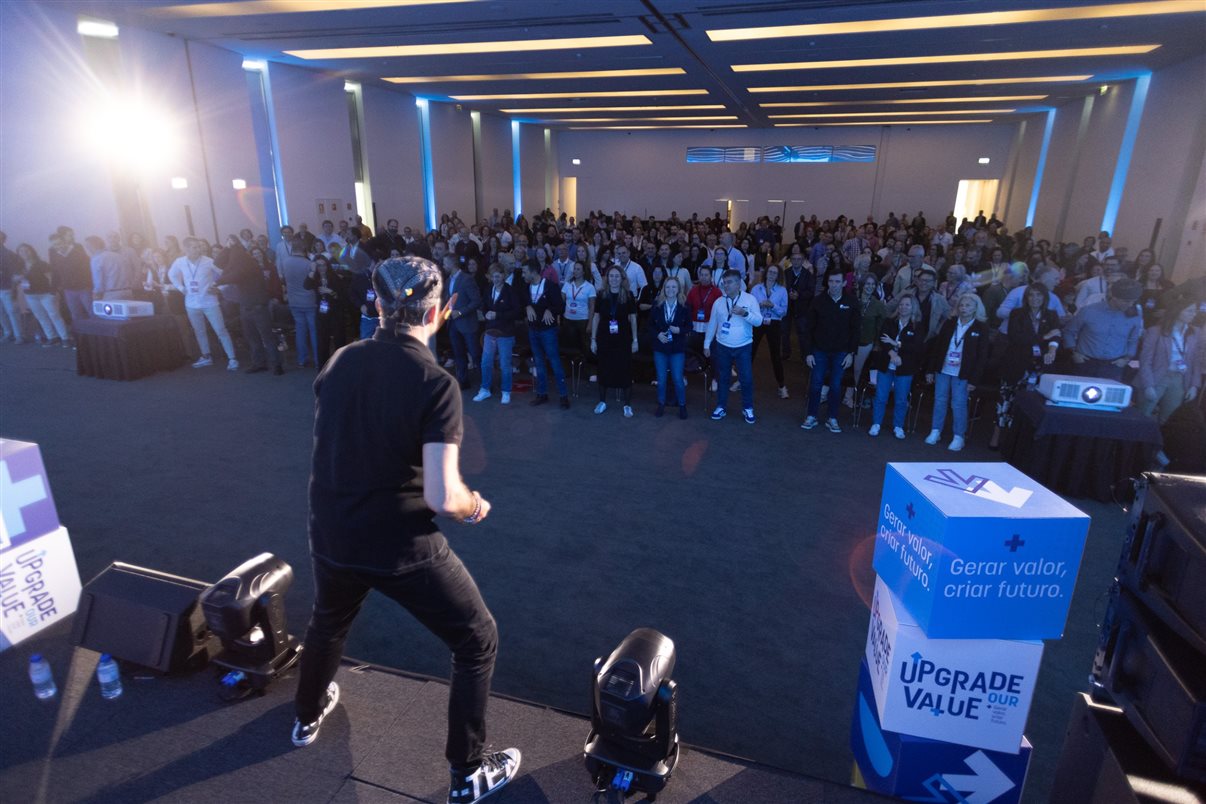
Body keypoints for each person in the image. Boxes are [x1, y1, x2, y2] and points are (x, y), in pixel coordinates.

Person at [292, 256, 521, 804]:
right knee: (477, 639)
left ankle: (305, 716)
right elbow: (443, 497)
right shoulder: (435, 384)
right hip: (399, 543)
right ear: (442, 312)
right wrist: (474, 507)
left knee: (328, 621)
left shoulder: (341, 360)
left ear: (378, 307)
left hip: (331, 529)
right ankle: (467, 773)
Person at [990, 283, 1062, 448]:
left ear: (1044, 298)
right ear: (1026, 297)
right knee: (1006, 401)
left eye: (1038, 295)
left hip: (1038, 366)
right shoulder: (1017, 313)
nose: (1035, 298)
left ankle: (1017, 441)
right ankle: (996, 436)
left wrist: (1052, 350)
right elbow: (1018, 339)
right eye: (1031, 295)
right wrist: (1045, 337)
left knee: (1030, 403)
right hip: (1015, 363)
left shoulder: (1051, 315)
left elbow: (1056, 336)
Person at [924, 293, 991, 451]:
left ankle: (959, 436)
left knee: (958, 404)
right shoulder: (950, 322)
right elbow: (938, 347)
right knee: (940, 400)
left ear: (976, 307)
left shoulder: (981, 327)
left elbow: (982, 356)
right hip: (944, 368)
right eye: (961, 305)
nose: (964, 308)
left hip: (963, 373)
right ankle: (935, 430)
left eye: (968, 305)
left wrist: (974, 380)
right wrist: (930, 370)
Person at [801, 271, 861, 433]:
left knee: (835, 386)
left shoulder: (852, 302)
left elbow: (856, 330)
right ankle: (811, 416)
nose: (834, 285)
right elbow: (808, 329)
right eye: (831, 281)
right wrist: (808, 353)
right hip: (819, 350)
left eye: (837, 281)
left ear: (843, 283)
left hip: (841, 352)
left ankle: (832, 418)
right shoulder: (818, 301)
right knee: (816, 384)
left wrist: (851, 353)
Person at [217, 236, 283, 375]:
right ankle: (261, 364)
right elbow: (218, 262)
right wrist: (228, 247)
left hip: (257, 306)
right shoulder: (244, 263)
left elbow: (233, 276)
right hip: (248, 306)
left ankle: (275, 365)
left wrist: (217, 282)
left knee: (265, 338)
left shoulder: (249, 265)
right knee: (254, 338)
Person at [169, 237, 238, 370]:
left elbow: (226, 275)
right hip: (191, 303)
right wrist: (181, 287)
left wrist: (220, 289)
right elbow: (172, 275)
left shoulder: (209, 261)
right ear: (186, 249)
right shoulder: (180, 262)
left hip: (210, 302)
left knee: (221, 330)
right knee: (199, 331)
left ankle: (232, 358)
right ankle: (206, 356)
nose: (198, 249)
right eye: (194, 247)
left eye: (199, 247)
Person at [703, 269, 762, 424]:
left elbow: (759, 321)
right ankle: (721, 406)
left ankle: (748, 408)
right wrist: (706, 344)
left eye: (729, 282)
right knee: (723, 377)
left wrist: (744, 314)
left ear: (738, 283)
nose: (725, 286)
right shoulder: (719, 302)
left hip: (743, 346)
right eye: (724, 282)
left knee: (746, 379)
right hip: (723, 346)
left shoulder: (750, 300)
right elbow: (712, 324)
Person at [1064, 277, 1144, 380]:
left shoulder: (1135, 314)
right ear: (1114, 297)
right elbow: (1069, 332)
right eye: (1126, 301)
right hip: (1085, 363)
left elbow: (1133, 339)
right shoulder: (1089, 311)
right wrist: (1074, 353)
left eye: (1133, 301)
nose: (1130, 305)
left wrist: (1126, 359)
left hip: (1114, 366)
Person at [868, 295, 924, 439]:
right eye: (901, 304)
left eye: (907, 305)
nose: (903, 307)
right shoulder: (889, 322)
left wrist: (896, 343)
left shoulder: (917, 326)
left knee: (901, 399)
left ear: (913, 308)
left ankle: (898, 426)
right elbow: (883, 339)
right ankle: (876, 423)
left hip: (905, 367)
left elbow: (916, 347)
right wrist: (893, 353)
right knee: (881, 396)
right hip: (886, 364)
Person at [1136, 299, 1201, 424]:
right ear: (1177, 311)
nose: (1194, 314)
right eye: (1189, 311)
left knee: (1169, 419)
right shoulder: (1155, 331)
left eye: (1194, 311)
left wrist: (1194, 385)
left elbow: (1195, 361)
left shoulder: (1195, 332)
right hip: (1157, 376)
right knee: (1143, 414)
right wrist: (1148, 385)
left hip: (1179, 378)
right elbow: (1145, 360)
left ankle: (1161, 442)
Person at [591, 265, 639, 417]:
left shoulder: (629, 295)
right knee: (603, 369)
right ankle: (602, 401)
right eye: (611, 276)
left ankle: (627, 405)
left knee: (625, 370)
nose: (614, 279)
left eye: (617, 276)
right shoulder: (601, 295)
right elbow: (596, 317)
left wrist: (635, 339)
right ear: (607, 278)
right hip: (604, 338)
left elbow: (633, 319)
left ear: (622, 278)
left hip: (623, 339)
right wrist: (593, 339)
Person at [522, 262, 570, 408]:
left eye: (525, 272)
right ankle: (542, 394)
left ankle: (563, 396)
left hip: (548, 331)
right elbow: (522, 301)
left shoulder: (550, 286)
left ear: (534, 272)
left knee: (554, 362)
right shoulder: (526, 287)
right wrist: (527, 306)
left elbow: (561, 307)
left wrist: (551, 310)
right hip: (533, 330)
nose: (523, 275)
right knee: (539, 363)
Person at [474, 263, 520, 404]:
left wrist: (498, 315)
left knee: (505, 364)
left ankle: (506, 391)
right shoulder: (489, 289)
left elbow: (517, 312)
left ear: (504, 276)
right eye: (493, 276)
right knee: (485, 362)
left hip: (505, 333)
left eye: (499, 275)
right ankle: (485, 389)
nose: (496, 278)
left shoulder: (511, 291)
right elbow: (483, 305)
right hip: (490, 331)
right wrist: (485, 312)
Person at [648, 276, 690, 419]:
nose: (670, 290)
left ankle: (682, 405)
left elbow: (689, 327)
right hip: (660, 347)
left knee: (678, 378)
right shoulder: (657, 305)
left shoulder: (684, 306)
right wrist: (658, 334)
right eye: (668, 287)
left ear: (678, 289)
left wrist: (679, 330)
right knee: (661, 378)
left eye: (673, 287)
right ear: (664, 289)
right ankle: (661, 404)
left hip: (677, 348)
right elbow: (650, 326)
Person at [844, 273, 887, 409]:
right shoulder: (853, 300)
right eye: (868, 284)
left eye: (873, 284)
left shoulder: (878, 305)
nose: (870, 286)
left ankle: (848, 396)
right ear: (862, 285)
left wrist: (877, 344)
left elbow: (880, 327)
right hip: (847, 340)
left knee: (857, 370)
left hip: (865, 342)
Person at [16, 243, 70, 347]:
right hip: (31, 295)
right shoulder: (21, 266)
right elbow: (20, 280)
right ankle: (52, 337)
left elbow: (52, 278)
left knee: (54, 315)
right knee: (41, 317)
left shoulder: (41, 264)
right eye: (21, 251)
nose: (24, 253)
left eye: (26, 250)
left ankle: (65, 338)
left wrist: (52, 292)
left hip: (45, 294)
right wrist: (18, 279)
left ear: (32, 251)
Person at [750, 263, 789, 399]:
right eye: (770, 272)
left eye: (775, 273)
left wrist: (773, 306)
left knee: (775, 355)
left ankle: (782, 385)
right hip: (758, 321)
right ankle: (742, 381)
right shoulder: (756, 288)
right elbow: (750, 307)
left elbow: (784, 311)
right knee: (750, 351)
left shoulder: (782, 290)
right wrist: (759, 305)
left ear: (778, 275)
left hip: (774, 322)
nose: (772, 274)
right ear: (766, 273)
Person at [306, 254, 351, 370]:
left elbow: (342, 297)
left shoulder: (335, 277)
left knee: (339, 339)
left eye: (324, 265)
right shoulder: (315, 278)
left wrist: (330, 292)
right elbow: (306, 285)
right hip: (322, 313)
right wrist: (312, 270)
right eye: (318, 266)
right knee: (322, 341)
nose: (321, 268)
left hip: (335, 312)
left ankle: (341, 365)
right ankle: (323, 368)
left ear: (327, 265)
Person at [446, 258, 483, 390]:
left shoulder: (467, 279)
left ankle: (484, 382)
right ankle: (463, 380)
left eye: (445, 263)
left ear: (452, 264)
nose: (443, 265)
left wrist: (461, 312)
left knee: (475, 353)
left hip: (467, 323)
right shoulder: (448, 280)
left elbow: (476, 301)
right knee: (458, 354)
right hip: (453, 323)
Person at [560, 259, 595, 362]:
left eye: (578, 269)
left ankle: (586, 368)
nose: (575, 271)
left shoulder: (590, 287)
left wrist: (590, 323)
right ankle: (570, 367)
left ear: (584, 271)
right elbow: (562, 301)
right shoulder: (567, 284)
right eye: (574, 269)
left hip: (582, 319)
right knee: (570, 345)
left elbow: (592, 306)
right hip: (568, 319)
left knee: (584, 345)